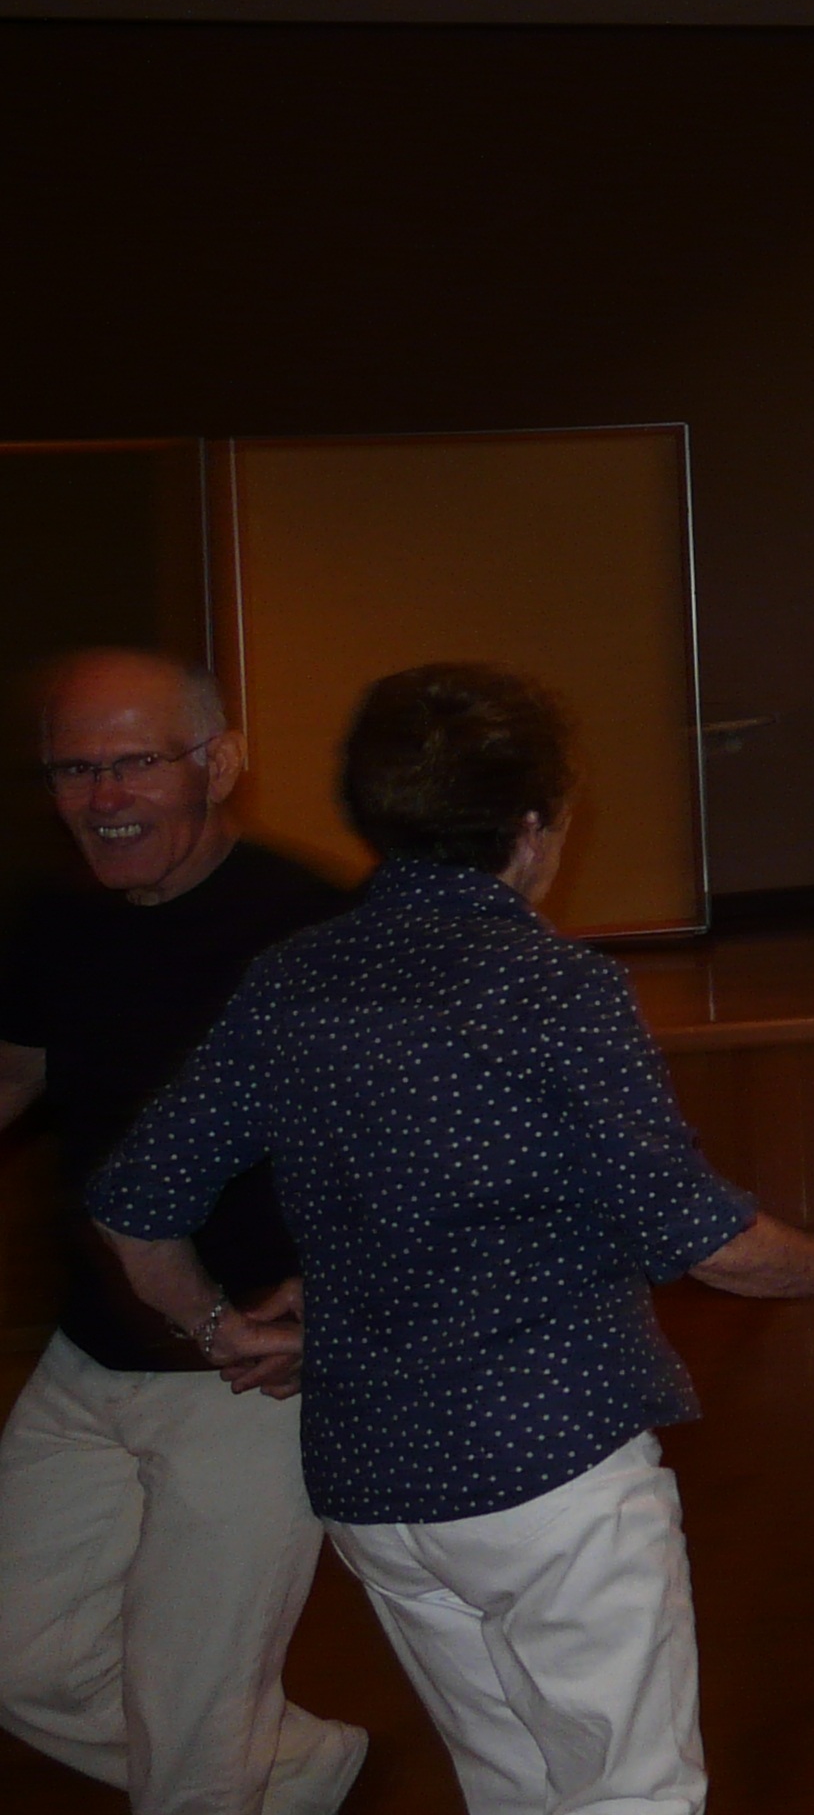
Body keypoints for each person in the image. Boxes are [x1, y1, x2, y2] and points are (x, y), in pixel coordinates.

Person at [88, 664, 814, 1815]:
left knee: (516, 1789)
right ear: (532, 829)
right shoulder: (553, 988)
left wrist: (214, 1327)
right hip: (547, 1474)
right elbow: (705, 1238)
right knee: (631, 1796)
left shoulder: (292, 982)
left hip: (380, 1493)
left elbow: (134, 1204)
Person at [0, 651, 366, 1815]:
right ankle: (295, 1772)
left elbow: (395, 1156)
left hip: (244, 1377)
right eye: (74, 769)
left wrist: (330, 1311)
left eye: (137, 763)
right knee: (21, 1659)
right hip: (89, 1359)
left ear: (221, 762)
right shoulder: (56, 918)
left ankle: (230, 1775)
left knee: (192, 1718)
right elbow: (15, 1072)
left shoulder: (311, 930)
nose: (104, 798)